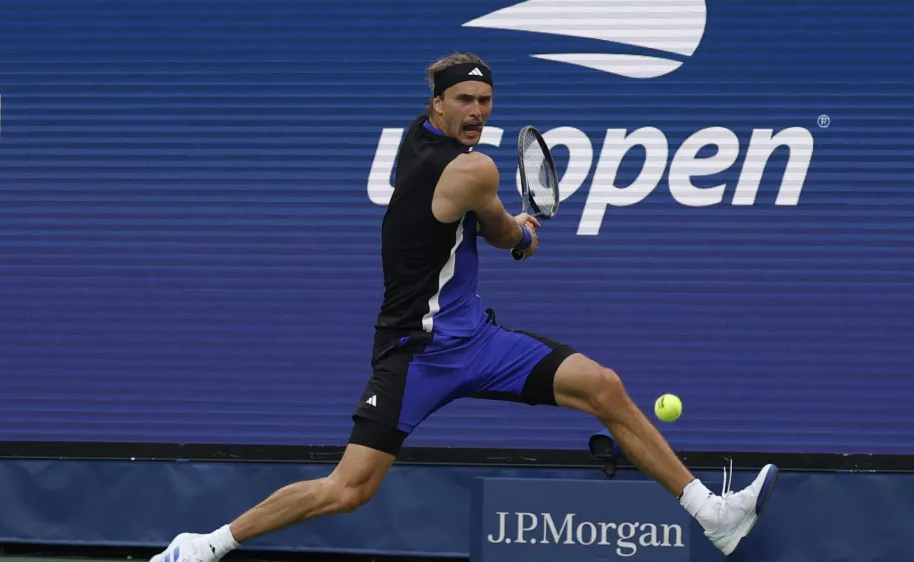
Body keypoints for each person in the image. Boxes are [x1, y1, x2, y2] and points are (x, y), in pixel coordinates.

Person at [149, 52, 779, 562]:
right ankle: (208, 545)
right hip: (416, 353)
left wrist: (502, 226)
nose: (476, 112)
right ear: (438, 106)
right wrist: (525, 234)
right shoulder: (473, 171)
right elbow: (507, 237)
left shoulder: (414, 138)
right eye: (463, 102)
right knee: (349, 490)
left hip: (477, 340)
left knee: (602, 386)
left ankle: (712, 515)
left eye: (484, 102)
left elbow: (466, 222)